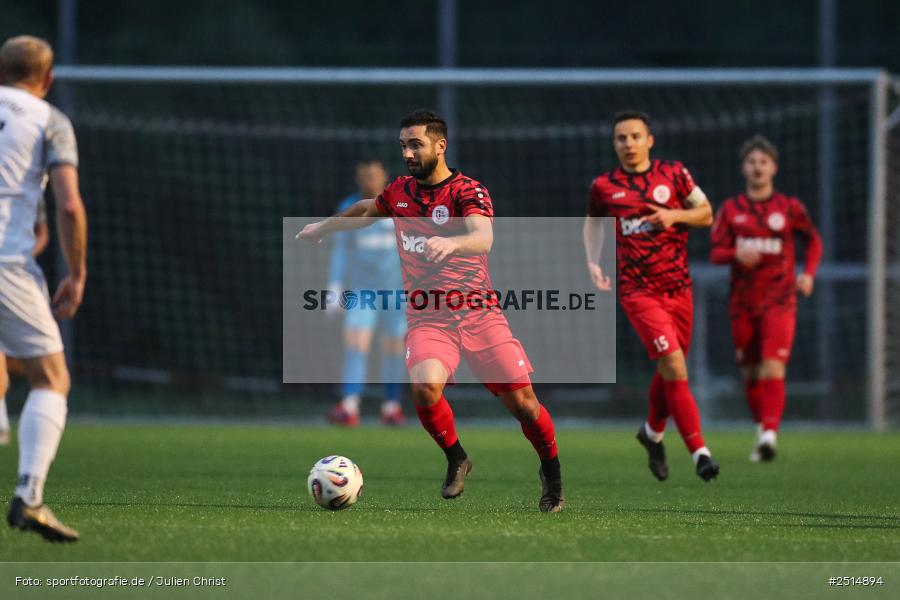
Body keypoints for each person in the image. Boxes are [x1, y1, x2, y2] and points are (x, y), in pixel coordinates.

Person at [298, 109, 564, 512]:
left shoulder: (467, 191)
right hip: (429, 318)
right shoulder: (399, 192)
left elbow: (483, 237)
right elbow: (367, 210)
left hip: (479, 315)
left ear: (440, 146)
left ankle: (552, 474)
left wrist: (452, 243)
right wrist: (325, 226)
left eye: (416, 144)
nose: (407, 152)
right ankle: (457, 457)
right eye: (403, 145)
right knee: (424, 386)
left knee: (525, 405)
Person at [584, 110, 719, 482]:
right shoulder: (604, 186)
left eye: (635, 136)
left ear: (649, 140)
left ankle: (652, 433)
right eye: (621, 138)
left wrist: (675, 216)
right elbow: (593, 224)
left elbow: (706, 213)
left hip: (679, 289)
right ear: (614, 144)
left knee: (670, 367)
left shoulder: (675, 174)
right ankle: (700, 453)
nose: (628, 144)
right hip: (638, 291)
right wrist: (593, 262)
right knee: (674, 364)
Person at [0, 35, 87, 542]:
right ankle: (29, 496)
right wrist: (76, 273)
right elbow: (69, 204)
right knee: (50, 378)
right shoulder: (47, 119)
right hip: (7, 263)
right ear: (48, 79)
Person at [710, 135, 822, 461]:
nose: (757, 167)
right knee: (750, 373)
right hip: (742, 302)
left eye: (763, 162)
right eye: (752, 162)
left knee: (773, 366)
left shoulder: (789, 207)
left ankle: (770, 434)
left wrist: (808, 274)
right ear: (743, 168)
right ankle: (762, 431)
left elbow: (813, 241)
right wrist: (735, 252)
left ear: (774, 167)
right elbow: (715, 253)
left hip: (780, 299)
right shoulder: (730, 210)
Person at [325, 158, 408, 427]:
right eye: (363, 175)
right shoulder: (349, 208)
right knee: (355, 342)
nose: (368, 179)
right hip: (363, 291)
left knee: (394, 347)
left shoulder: (401, 206)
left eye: (373, 174)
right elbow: (341, 249)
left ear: (384, 175)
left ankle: (391, 406)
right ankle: (350, 405)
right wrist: (335, 285)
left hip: (396, 291)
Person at [1, 197, 49, 446]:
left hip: (18, 275)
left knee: (33, 367)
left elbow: (42, 234)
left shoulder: (32, 191)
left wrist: (20, 252)